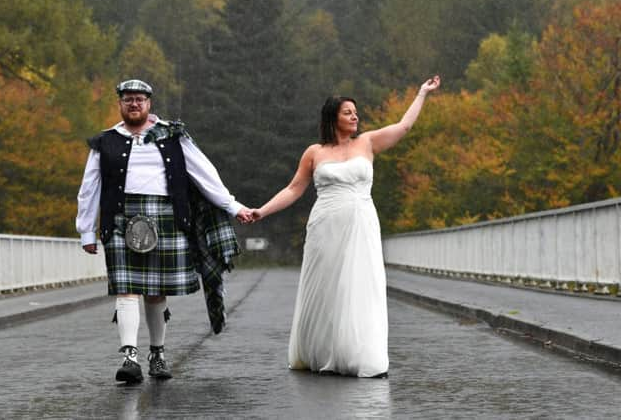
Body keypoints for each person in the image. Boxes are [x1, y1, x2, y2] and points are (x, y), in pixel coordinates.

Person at [250, 76, 441, 377]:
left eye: (355, 112)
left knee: (360, 286)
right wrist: (262, 211)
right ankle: (320, 351)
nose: (355, 116)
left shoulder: (367, 143)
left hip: (361, 223)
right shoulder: (314, 153)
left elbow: (403, 127)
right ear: (333, 118)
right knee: (325, 288)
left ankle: (358, 353)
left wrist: (422, 93)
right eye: (348, 112)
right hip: (325, 225)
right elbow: (294, 189)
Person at [76, 79, 251, 383]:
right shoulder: (105, 141)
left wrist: (233, 206)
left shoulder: (172, 134)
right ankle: (129, 357)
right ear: (120, 103)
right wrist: (86, 231)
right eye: (128, 99)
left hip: (167, 216)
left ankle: (157, 354)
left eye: (140, 99)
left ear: (149, 104)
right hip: (120, 218)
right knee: (126, 288)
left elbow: (204, 172)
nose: (134, 104)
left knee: (156, 292)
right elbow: (89, 188)